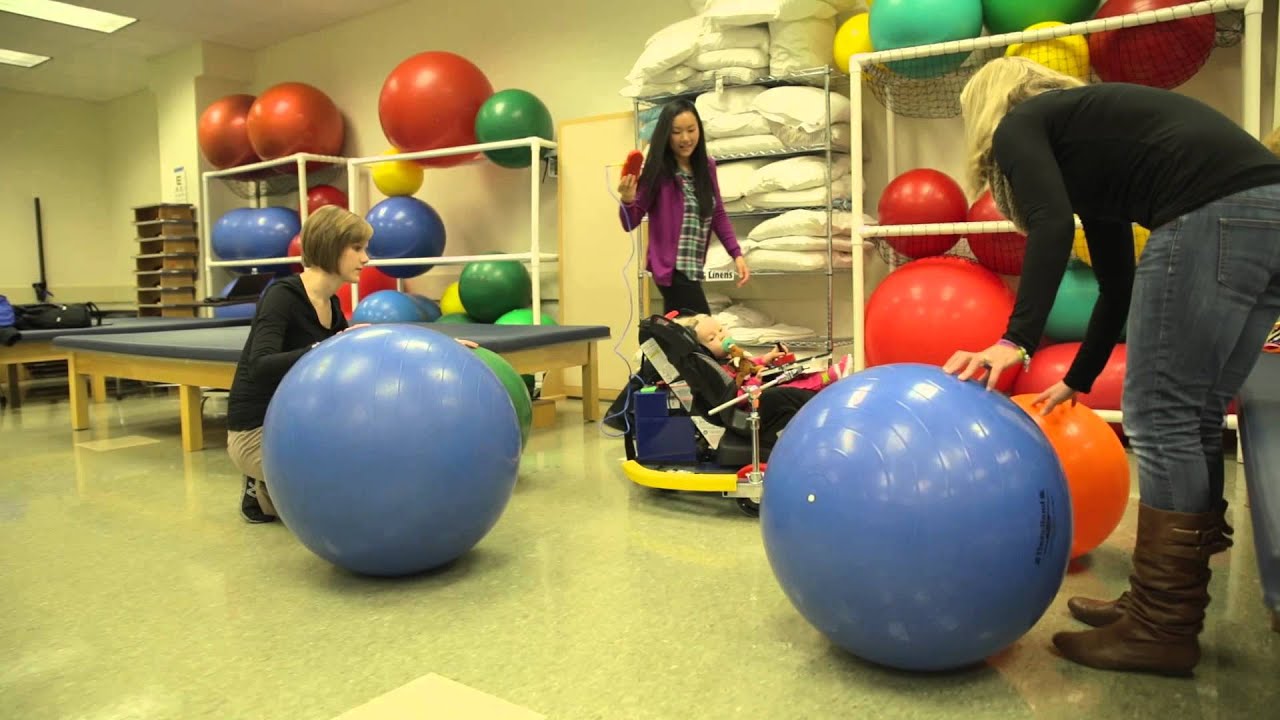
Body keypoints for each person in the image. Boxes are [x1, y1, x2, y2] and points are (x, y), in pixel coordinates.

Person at [943, 57, 1280, 676]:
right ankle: (1159, 609)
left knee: (1160, 417)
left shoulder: (1022, 123)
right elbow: (1116, 283)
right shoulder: (1096, 147)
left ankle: (1160, 629)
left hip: (1217, 214)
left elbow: (1047, 226)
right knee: (1197, 410)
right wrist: (1078, 378)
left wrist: (1014, 341)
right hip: (1268, 215)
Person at [226, 205, 473, 523]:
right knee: (350, 479)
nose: (366, 259)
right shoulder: (281, 296)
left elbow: (368, 348)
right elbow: (260, 365)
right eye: (357, 248)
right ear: (331, 246)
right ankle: (260, 483)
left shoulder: (330, 304)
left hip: (298, 424)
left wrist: (439, 349)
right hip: (257, 429)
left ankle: (272, 485)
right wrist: (325, 346)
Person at [617, 99, 751, 315]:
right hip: (672, 270)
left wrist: (736, 254)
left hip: (693, 268)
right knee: (704, 331)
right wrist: (627, 199)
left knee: (681, 336)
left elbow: (717, 213)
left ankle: (654, 349)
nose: (686, 138)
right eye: (677, 132)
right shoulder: (657, 170)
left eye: (691, 130)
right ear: (666, 135)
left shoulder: (706, 166)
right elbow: (629, 222)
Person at [677, 314, 852, 392]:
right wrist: (756, 380)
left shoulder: (734, 357)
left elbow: (751, 363)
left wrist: (768, 357)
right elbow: (739, 393)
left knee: (795, 375)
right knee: (789, 388)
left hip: (759, 383)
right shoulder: (720, 370)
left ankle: (828, 376)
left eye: (721, 330)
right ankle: (828, 377)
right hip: (754, 397)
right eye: (712, 338)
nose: (722, 336)